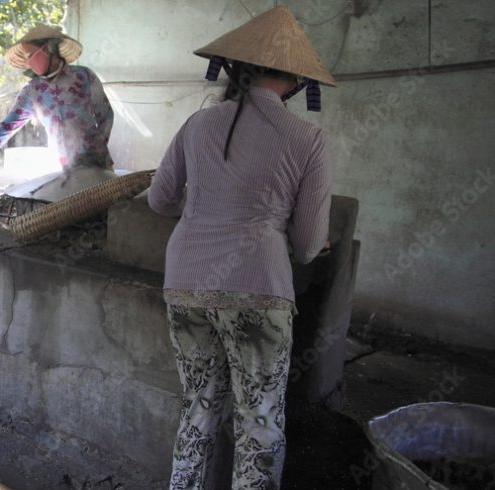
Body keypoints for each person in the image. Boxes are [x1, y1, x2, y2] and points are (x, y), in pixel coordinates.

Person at [148, 6, 335, 489]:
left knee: (198, 408)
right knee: (260, 419)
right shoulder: (307, 138)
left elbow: (159, 199)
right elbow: (310, 244)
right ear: (295, 78)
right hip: (259, 289)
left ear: (234, 68)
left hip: (186, 285)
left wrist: (204, 210)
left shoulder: (197, 124)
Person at [0, 25, 114, 173]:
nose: (29, 63)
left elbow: (106, 114)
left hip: (98, 165)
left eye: (31, 55)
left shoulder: (83, 76)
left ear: (49, 49)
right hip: (63, 170)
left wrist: (96, 149)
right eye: (26, 58)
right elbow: (7, 127)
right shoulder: (32, 91)